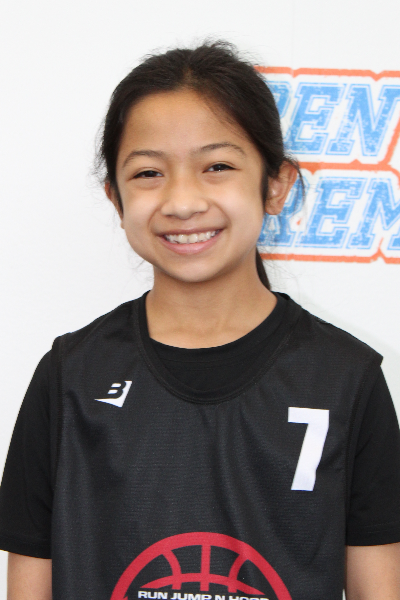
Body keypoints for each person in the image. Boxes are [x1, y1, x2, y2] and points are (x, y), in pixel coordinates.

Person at [1, 41, 400, 600]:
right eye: (148, 173)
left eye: (217, 167)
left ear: (276, 184)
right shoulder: (70, 378)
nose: (183, 201)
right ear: (116, 199)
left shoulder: (346, 379)